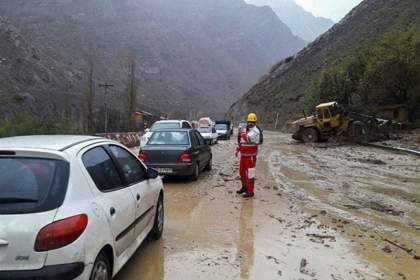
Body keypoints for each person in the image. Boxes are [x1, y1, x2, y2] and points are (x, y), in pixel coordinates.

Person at [236, 113, 260, 198]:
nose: (249, 123)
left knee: (250, 174)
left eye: (251, 122)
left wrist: (242, 134)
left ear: (254, 122)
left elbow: (247, 138)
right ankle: (244, 187)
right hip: (243, 155)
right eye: (249, 121)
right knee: (242, 173)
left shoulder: (256, 131)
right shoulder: (246, 130)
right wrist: (238, 149)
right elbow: (242, 141)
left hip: (251, 156)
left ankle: (250, 191)